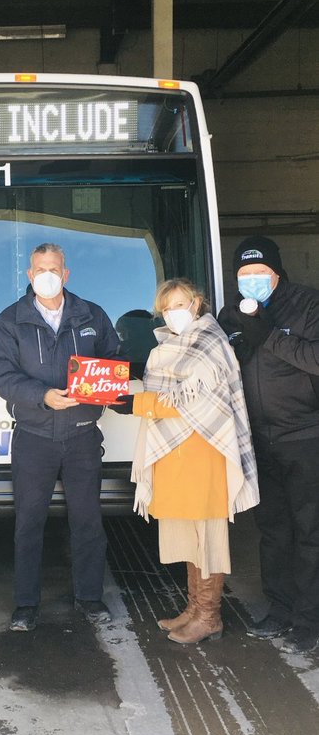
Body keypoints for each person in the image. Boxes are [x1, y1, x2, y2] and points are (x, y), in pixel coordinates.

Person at [111, 277, 259, 645]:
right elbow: (167, 391)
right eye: (167, 307)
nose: (174, 312)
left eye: (181, 304)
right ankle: (194, 609)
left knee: (207, 536)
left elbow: (193, 401)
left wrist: (137, 405)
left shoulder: (211, 342)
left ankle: (210, 617)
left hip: (205, 454)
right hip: (178, 455)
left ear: (197, 303)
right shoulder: (169, 344)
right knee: (190, 537)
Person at [0, 242, 121, 632]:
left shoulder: (91, 314)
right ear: (30, 275)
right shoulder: (10, 320)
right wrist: (41, 396)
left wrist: (107, 387)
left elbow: (114, 361)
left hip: (82, 436)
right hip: (34, 437)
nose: (47, 274)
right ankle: (26, 603)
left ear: (66, 273)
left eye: (54, 268)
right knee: (28, 523)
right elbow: (1, 374)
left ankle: (90, 598)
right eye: (40, 269)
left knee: (88, 522)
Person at [217, 235, 319, 655]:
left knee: (310, 530)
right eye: (245, 274)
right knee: (273, 529)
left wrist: (268, 333)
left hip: (305, 436)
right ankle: (278, 609)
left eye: (260, 272)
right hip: (257, 437)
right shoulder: (230, 312)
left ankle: (309, 619)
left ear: (277, 272)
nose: (253, 280)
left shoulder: (307, 305)